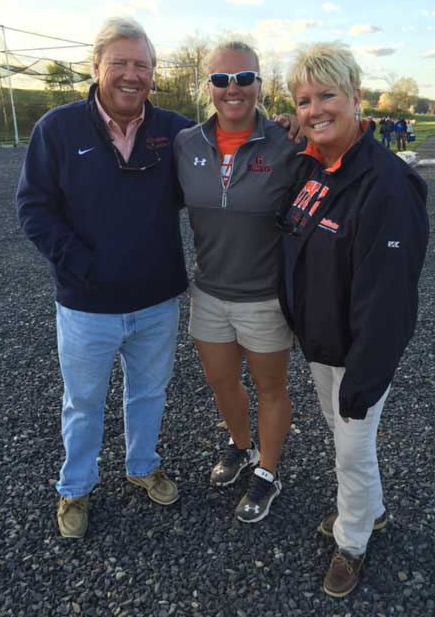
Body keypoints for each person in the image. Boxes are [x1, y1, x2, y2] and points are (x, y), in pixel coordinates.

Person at [16, 17, 194, 539]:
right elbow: (33, 207)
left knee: (149, 393)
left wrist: (285, 133)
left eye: (141, 64)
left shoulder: (176, 132)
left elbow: (232, 146)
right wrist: (81, 264)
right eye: (119, 62)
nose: (131, 74)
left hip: (156, 301)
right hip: (85, 304)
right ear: (96, 68)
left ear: (153, 73)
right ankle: (75, 487)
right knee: (83, 401)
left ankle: (143, 466)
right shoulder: (58, 128)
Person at [278, 43, 429, 597]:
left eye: (327, 96)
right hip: (322, 342)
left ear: (356, 98)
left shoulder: (386, 186)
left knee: (352, 448)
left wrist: (365, 380)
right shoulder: (313, 167)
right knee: (349, 445)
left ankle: (353, 540)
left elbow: (388, 299)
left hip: (357, 352)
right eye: (304, 99)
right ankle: (372, 511)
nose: (315, 109)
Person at [174, 41, 305, 523]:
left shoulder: (287, 142)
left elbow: (340, 152)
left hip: (264, 297)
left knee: (271, 388)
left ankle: (267, 471)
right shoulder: (185, 143)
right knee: (221, 380)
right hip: (208, 292)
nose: (233, 89)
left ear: (259, 85)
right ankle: (241, 446)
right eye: (221, 79)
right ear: (207, 86)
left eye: (244, 78)